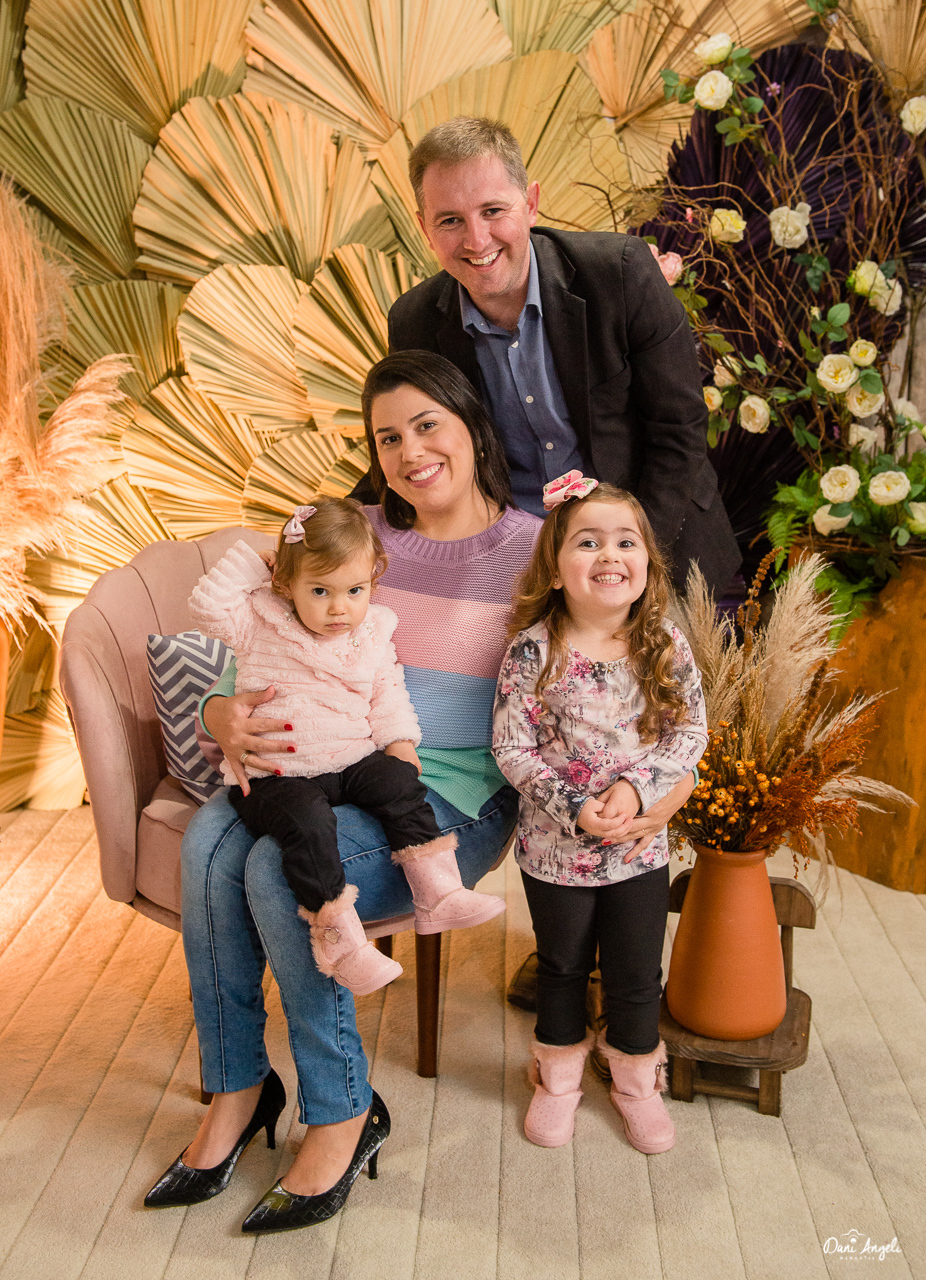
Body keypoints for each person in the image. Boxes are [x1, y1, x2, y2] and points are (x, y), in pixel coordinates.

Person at [145, 351, 694, 1236]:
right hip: (326, 763)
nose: (409, 452)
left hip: (455, 796)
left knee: (276, 875)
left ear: (473, 427)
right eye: (387, 437)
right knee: (210, 844)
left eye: (427, 425)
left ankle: (341, 1111)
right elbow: (259, 630)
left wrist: (666, 778)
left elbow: (630, 641)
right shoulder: (351, 534)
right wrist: (218, 711)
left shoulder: (537, 545)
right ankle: (238, 1089)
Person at [353, 115, 741, 598]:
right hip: (517, 572)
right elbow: (408, 451)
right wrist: (316, 530)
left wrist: (628, 561)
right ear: (425, 230)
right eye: (450, 220)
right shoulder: (414, 321)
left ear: (531, 203)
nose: (476, 240)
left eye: (493, 210)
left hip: (663, 549)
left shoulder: (620, 273)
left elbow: (679, 431)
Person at [187, 496, 505, 998]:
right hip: (278, 776)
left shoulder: (373, 630)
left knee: (397, 782)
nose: (339, 608)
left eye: (355, 590)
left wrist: (400, 742)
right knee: (309, 826)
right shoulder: (258, 620)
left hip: (349, 759)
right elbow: (207, 607)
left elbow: (387, 692)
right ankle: (341, 943)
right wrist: (256, 562)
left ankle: (437, 891)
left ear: (373, 582)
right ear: (286, 585)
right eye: (320, 591)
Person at [493, 473, 708, 1154]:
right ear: (556, 568)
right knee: (560, 966)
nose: (609, 554)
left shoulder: (664, 643)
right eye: (587, 542)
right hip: (555, 849)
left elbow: (689, 733)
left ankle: (637, 1081)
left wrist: (640, 791)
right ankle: (557, 1078)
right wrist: (575, 806)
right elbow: (511, 746)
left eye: (625, 542)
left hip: (639, 849)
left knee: (636, 972)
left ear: (647, 562)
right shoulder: (533, 649)